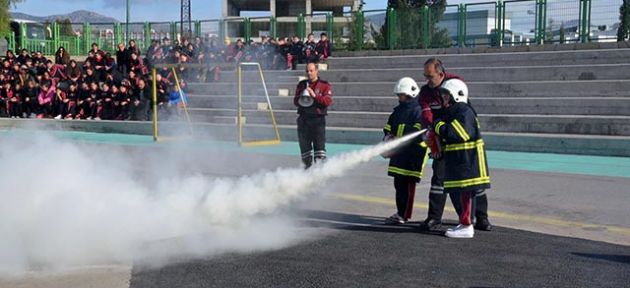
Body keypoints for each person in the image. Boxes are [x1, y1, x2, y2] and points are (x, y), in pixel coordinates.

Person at [418, 58, 492, 232]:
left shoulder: (456, 85)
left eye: (430, 77)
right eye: (425, 77)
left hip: (461, 143)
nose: (427, 81)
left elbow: (465, 117)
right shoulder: (425, 93)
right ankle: (434, 217)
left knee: (474, 185)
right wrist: (433, 143)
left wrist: (440, 128)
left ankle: (481, 218)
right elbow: (427, 118)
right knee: (439, 179)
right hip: (441, 137)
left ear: (441, 74)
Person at [432, 78, 491, 238]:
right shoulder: (455, 111)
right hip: (461, 162)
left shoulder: (464, 111)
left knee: (466, 195)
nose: (443, 99)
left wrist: (437, 126)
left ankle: (466, 225)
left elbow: (459, 134)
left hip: (468, 162)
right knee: (461, 195)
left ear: (456, 95)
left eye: (446, 95)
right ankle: (464, 223)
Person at [382, 77, 429, 224]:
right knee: (399, 183)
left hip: (413, 155)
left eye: (400, 95)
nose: (399, 98)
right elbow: (389, 126)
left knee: (408, 185)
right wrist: (387, 138)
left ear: (410, 94)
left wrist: (396, 137)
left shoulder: (418, 110)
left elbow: (416, 133)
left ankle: (404, 214)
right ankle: (400, 212)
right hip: (399, 153)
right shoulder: (398, 110)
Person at [294, 62, 333, 169]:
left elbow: (327, 101)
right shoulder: (301, 85)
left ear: (316, 71)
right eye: (307, 71)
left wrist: (314, 96)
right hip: (304, 120)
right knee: (305, 151)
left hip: (317, 120)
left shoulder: (324, 85)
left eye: (311, 71)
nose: (309, 73)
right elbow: (295, 101)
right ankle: (306, 174)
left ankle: (319, 175)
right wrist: (302, 96)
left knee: (319, 151)